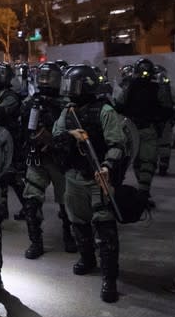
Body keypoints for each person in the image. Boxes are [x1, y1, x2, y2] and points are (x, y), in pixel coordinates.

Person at [53, 65, 126, 303]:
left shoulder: (105, 110)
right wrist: (71, 135)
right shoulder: (68, 112)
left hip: (97, 175)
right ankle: (87, 258)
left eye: (73, 87)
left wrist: (107, 167)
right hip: (73, 176)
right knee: (77, 221)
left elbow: (117, 144)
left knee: (104, 227)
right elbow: (56, 135)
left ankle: (109, 277)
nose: (69, 92)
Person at [20, 62, 76, 259]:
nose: (45, 80)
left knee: (67, 203)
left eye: (49, 77)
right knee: (31, 202)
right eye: (43, 76)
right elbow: (24, 131)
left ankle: (70, 236)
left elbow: (74, 135)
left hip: (60, 161)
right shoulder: (31, 103)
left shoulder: (67, 105)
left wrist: (55, 141)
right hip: (38, 159)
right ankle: (36, 242)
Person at [113, 58, 172, 205]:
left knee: (139, 162)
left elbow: (119, 105)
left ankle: (142, 193)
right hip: (146, 129)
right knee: (147, 162)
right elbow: (167, 108)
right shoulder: (157, 88)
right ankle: (143, 193)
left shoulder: (130, 86)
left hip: (133, 130)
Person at [0, 62, 25, 220]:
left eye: (0, 74)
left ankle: (29, 206)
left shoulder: (11, 96)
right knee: (0, 174)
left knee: (13, 176)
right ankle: (2, 209)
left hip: (10, 139)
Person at [154, 65, 175, 176]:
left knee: (150, 145)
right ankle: (163, 167)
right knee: (165, 145)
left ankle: (150, 168)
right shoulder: (168, 89)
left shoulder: (146, 89)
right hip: (165, 122)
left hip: (149, 123)